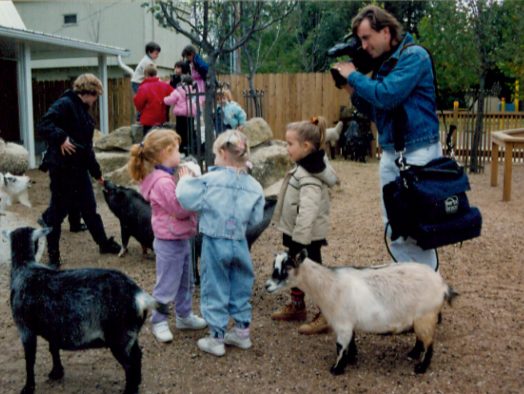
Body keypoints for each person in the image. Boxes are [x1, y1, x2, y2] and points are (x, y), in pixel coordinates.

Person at [334, 5, 440, 271]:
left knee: (417, 229)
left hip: (418, 153)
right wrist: (349, 87)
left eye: (366, 38)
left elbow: (387, 94)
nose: (363, 45)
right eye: (359, 40)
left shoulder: (413, 56)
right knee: (395, 228)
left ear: (386, 31)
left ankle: (429, 300)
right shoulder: (385, 65)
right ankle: (408, 294)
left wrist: (354, 76)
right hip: (393, 153)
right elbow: (377, 109)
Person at [175, 130, 265, 357]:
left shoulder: (209, 181)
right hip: (240, 242)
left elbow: (185, 198)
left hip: (215, 242)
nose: (214, 159)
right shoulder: (254, 185)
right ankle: (242, 333)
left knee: (214, 286)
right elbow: (255, 219)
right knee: (241, 284)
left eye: (215, 154)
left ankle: (216, 338)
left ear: (223, 153)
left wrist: (185, 177)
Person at [127, 128, 207, 343]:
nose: (180, 155)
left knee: (185, 281)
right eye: (177, 150)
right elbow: (180, 209)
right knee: (166, 285)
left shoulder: (165, 176)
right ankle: (158, 321)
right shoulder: (162, 182)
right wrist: (187, 185)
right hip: (168, 241)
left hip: (180, 238)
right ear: (164, 153)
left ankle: (184, 315)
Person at [37, 74, 121, 267]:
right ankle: (53, 255)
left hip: (80, 169)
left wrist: (96, 172)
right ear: (89, 92)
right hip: (61, 169)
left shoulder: (85, 116)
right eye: (95, 95)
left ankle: (103, 243)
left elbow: (86, 149)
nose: (95, 100)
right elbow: (43, 124)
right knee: (56, 213)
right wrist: (61, 138)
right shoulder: (65, 104)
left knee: (90, 209)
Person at [269, 117, 338, 335]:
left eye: (290, 144)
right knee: (296, 270)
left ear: (306, 146)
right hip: (297, 233)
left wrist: (299, 241)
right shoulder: (306, 166)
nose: (286, 148)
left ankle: (325, 314)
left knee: (313, 275)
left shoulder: (310, 174)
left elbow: (308, 211)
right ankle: (298, 307)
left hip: (305, 237)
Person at [133, 63, 174, 136]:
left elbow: (138, 104)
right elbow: (174, 95)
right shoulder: (164, 85)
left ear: (146, 74)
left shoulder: (143, 87)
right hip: (161, 119)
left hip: (148, 121)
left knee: (149, 142)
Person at [163, 75, 198, 156]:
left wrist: (164, 99)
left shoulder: (179, 90)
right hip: (191, 114)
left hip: (181, 115)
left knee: (180, 133)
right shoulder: (194, 90)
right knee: (190, 131)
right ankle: (190, 149)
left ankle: (181, 150)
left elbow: (170, 100)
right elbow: (198, 101)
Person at [131, 41, 161, 122]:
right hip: (137, 82)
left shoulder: (150, 60)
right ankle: (139, 119)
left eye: (158, 53)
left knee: (146, 101)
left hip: (142, 83)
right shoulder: (147, 61)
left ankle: (142, 118)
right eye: (156, 53)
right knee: (142, 101)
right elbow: (153, 74)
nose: (157, 55)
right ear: (149, 52)